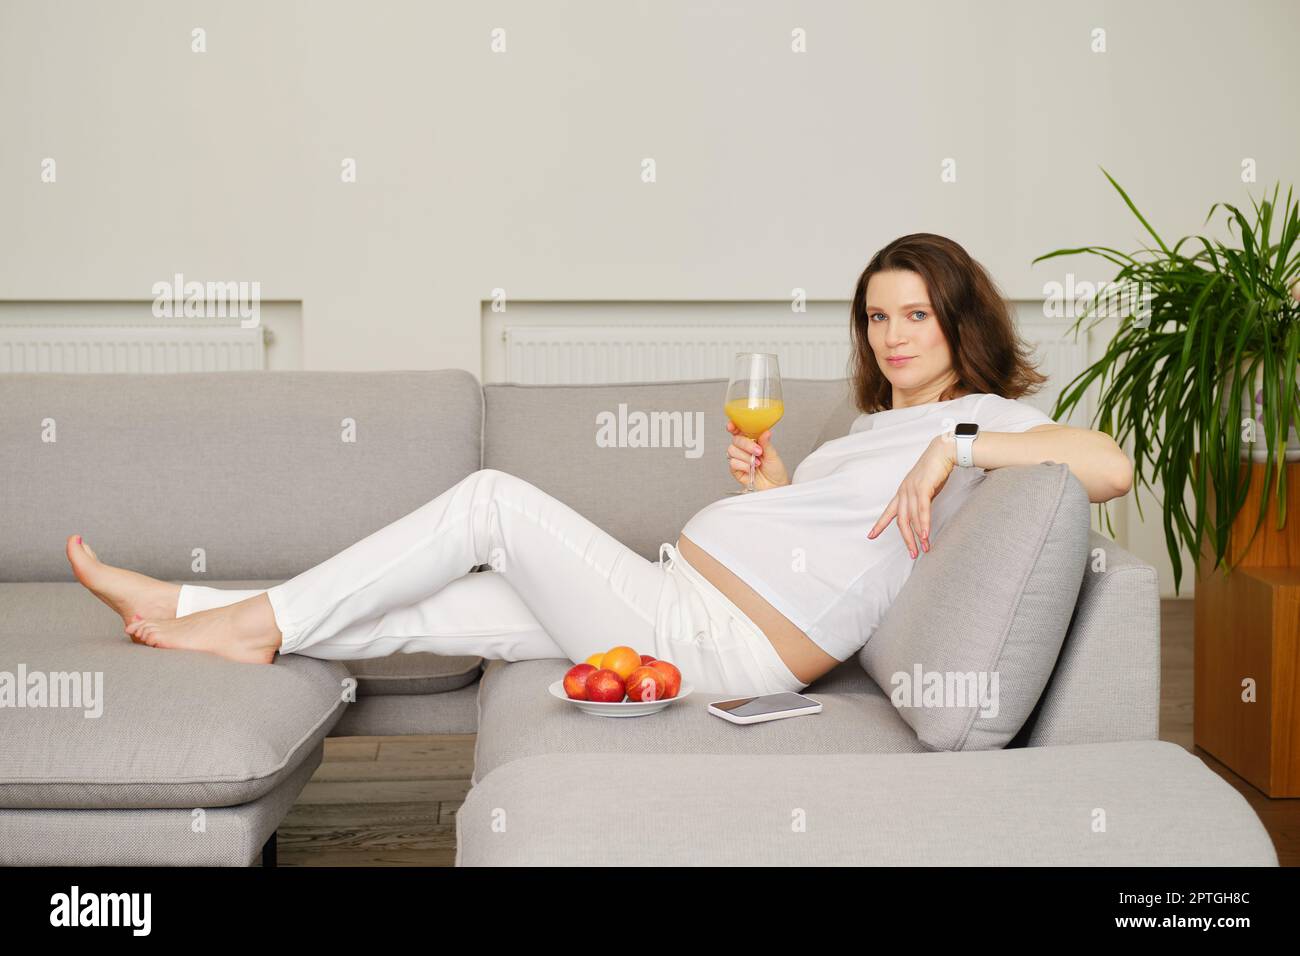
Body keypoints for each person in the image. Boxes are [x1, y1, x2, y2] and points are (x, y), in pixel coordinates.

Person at [66, 233, 1132, 698]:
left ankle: (252, 623)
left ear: (959, 319)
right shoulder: (864, 437)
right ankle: (198, 606)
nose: (894, 335)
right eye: (875, 316)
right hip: (681, 603)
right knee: (452, 609)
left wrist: (955, 445)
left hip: (716, 645)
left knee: (489, 503)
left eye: (915, 314)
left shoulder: (989, 416)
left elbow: (1107, 461)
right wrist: (778, 493)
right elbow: (837, 542)